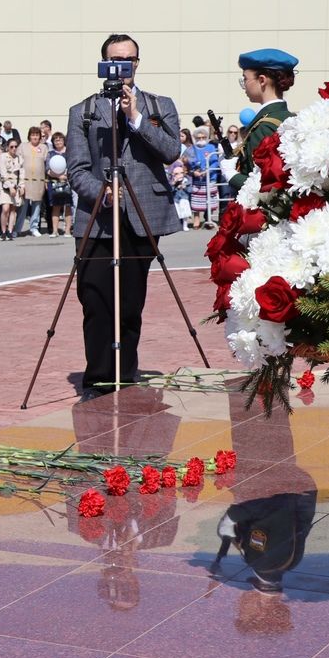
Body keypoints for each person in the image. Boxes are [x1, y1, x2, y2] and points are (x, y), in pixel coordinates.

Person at [66, 33, 180, 400]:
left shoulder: (158, 105)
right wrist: (101, 192)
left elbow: (170, 151)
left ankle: (125, 375)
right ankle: (98, 380)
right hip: (97, 219)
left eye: (128, 60)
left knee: (130, 303)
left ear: (137, 63)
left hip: (144, 214)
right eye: (114, 60)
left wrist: (135, 118)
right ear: (102, 64)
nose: (122, 68)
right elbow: (77, 168)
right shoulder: (83, 111)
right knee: (96, 299)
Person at [228, 49, 298, 193]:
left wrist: (232, 176)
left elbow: (264, 186)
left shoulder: (265, 126)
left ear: (262, 80)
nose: (244, 85)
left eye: (245, 79)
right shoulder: (288, 118)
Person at [16, 125, 48, 236]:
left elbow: (47, 164)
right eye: (32, 135)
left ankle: (34, 227)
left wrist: (46, 181)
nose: (35, 137)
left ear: (40, 136)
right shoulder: (23, 146)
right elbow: (18, 162)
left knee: (37, 204)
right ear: (29, 136)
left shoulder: (43, 147)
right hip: (25, 179)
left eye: (37, 135)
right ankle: (17, 228)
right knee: (23, 206)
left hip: (39, 180)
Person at [187, 125, 220, 229]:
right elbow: (187, 164)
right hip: (197, 179)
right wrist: (193, 171)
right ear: (195, 138)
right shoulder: (191, 149)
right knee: (196, 199)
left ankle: (208, 219)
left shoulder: (211, 147)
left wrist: (208, 170)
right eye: (198, 138)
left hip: (210, 177)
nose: (201, 139)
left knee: (210, 198)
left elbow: (215, 162)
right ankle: (196, 219)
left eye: (203, 137)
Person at [46, 131, 72, 238]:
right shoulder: (50, 154)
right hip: (55, 182)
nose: (58, 142)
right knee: (56, 206)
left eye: (60, 139)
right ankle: (55, 231)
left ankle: (67, 231)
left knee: (68, 206)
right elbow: (47, 169)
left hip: (68, 182)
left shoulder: (70, 153)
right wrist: (58, 176)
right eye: (55, 140)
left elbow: (73, 165)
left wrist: (66, 176)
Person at [0, 136, 22, 240]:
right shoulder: (3, 157)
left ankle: (10, 231)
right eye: (12, 147)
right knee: (5, 208)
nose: (14, 149)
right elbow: (3, 173)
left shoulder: (19, 158)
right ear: (7, 148)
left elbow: (22, 174)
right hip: (6, 187)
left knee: (13, 210)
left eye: (16, 146)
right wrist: (10, 187)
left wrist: (21, 186)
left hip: (16, 186)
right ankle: (3, 230)